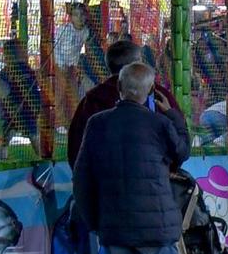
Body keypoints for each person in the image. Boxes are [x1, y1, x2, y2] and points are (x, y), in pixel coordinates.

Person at [73, 62, 189, 254]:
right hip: (154, 223)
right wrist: (173, 116)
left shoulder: (97, 124)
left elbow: (82, 176)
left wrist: (93, 220)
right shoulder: (157, 123)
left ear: (120, 88)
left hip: (112, 221)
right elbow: (182, 152)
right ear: (150, 92)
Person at [67, 36, 182, 165]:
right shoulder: (158, 95)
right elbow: (179, 147)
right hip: (153, 178)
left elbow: (76, 147)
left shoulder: (93, 100)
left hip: (104, 180)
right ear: (137, 64)